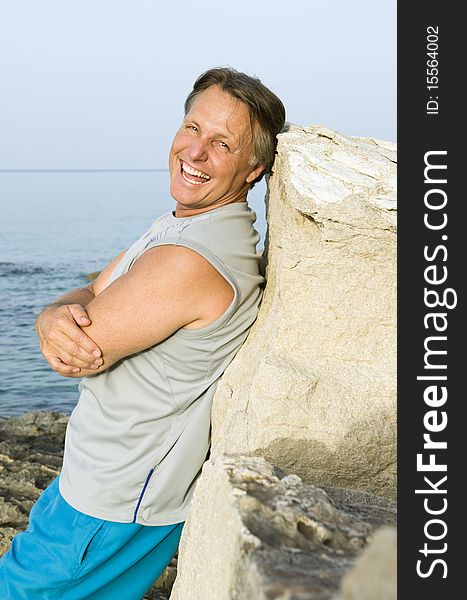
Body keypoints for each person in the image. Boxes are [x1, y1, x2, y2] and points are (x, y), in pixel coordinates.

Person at [0, 67, 285, 599]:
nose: (195, 151)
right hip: (97, 478)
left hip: (115, 499)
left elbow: (75, 353)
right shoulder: (181, 225)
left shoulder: (188, 259)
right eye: (193, 127)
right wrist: (53, 313)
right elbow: (90, 288)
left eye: (222, 143)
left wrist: (60, 317)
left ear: (254, 170)